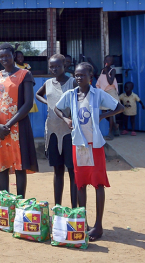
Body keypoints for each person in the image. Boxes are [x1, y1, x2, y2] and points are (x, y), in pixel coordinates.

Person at [55, 62, 124, 241]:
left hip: (95, 145)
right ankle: (82, 222)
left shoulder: (98, 94)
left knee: (98, 183)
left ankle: (98, 226)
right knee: (80, 184)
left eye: (82, 75)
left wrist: (101, 116)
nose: (78, 78)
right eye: (76, 75)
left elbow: (119, 107)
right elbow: (57, 108)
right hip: (78, 145)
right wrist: (66, 119)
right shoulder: (70, 95)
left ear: (90, 78)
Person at [0, 43, 38, 199]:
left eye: (7, 56)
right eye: (1, 57)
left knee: (19, 166)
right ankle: (4, 201)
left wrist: (8, 125)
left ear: (14, 56)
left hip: (17, 126)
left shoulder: (25, 74)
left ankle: (20, 202)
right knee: (2, 165)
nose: (4, 59)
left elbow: (28, 103)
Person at [35, 54, 78, 208]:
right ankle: (58, 207)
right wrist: (47, 102)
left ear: (64, 66)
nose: (54, 69)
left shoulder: (73, 82)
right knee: (57, 171)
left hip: (69, 132)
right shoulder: (48, 83)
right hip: (52, 130)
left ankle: (75, 209)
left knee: (72, 172)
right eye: (51, 66)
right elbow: (37, 94)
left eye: (57, 66)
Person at [96, 55, 120, 138]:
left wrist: (106, 72)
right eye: (106, 60)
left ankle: (110, 133)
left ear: (112, 62)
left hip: (111, 92)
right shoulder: (103, 70)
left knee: (111, 112)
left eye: (109, 60)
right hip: (103, 93)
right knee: (104, 113)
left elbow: (110, 82)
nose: (107, 61)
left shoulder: (112, 70)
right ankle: (115, 126)